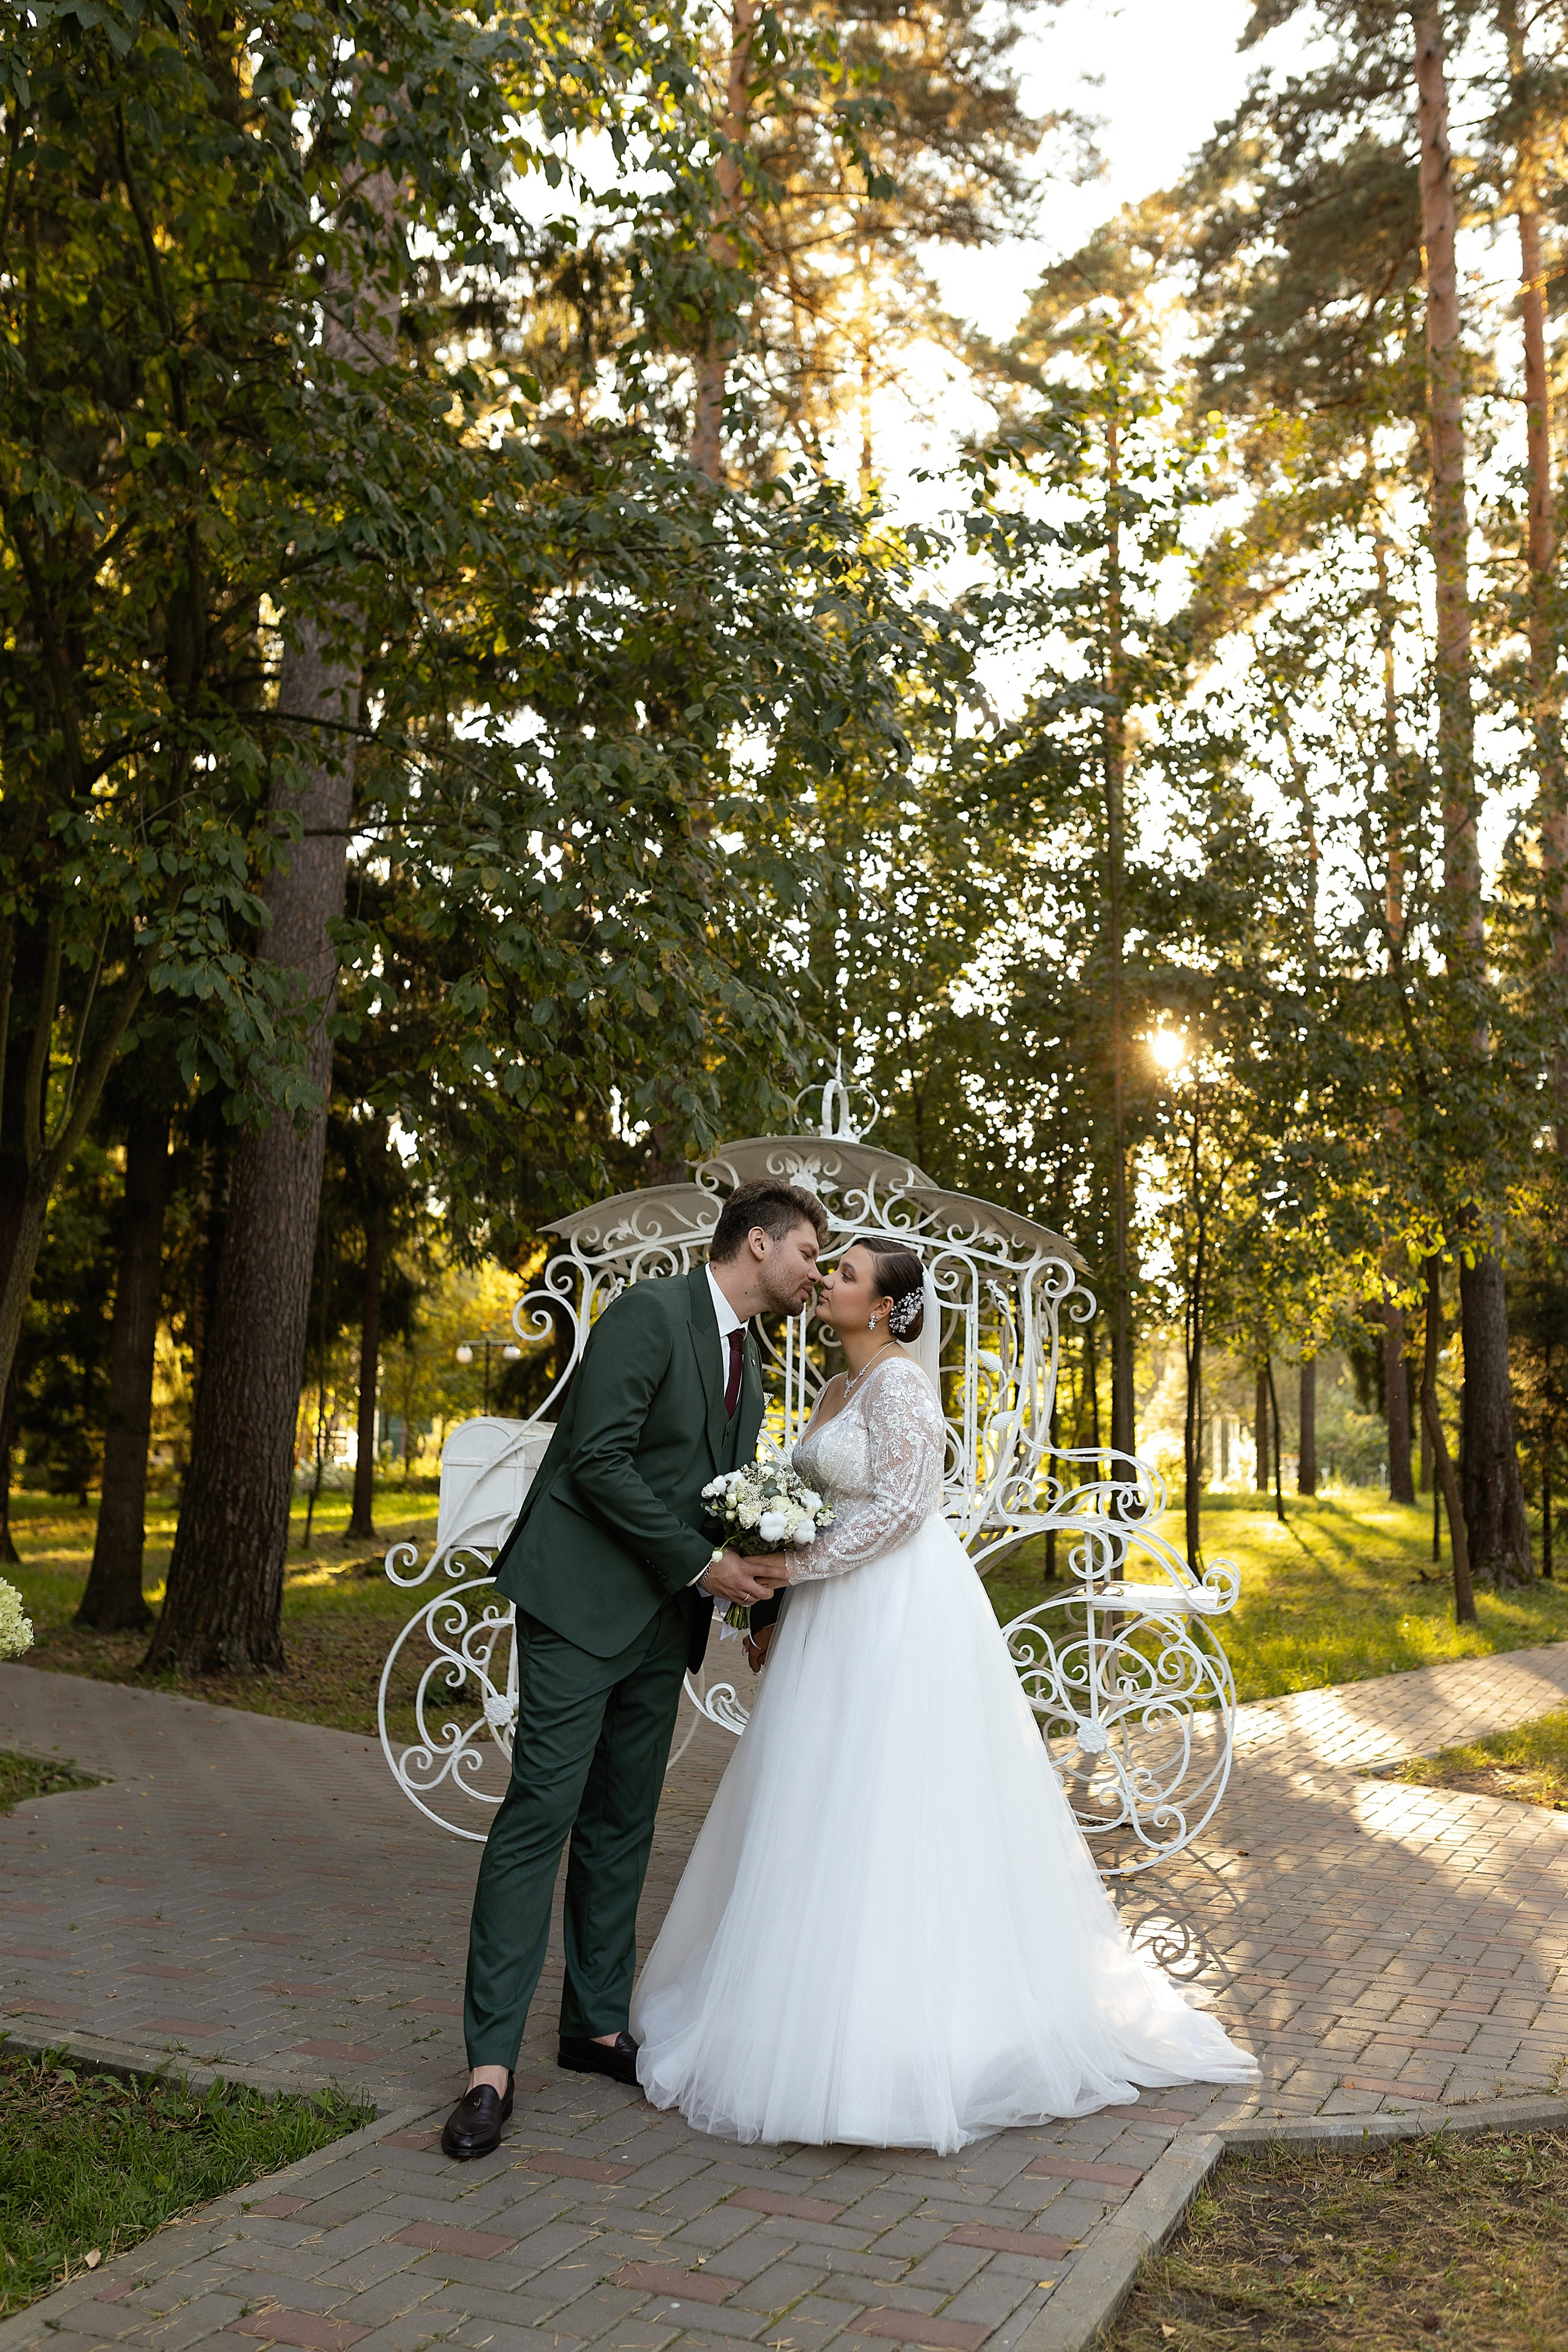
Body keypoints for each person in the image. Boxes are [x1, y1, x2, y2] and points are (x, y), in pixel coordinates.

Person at [631, 1236, 1260, 2153]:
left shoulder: (901, 1386)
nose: (826, 1280)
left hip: (895, 1609)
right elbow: (814, 1503)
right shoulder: (840, 1389)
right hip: (828, 1615)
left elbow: (901, 1511)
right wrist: (774, 1600)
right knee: (819, 1795)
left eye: (845, 1274)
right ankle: (804, 2004)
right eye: (829, 1267)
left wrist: (792, 1568)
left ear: (886, 1307)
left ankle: (910, 2031)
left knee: (894, 1796)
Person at [440, 1178, 827, 2160]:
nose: (815, 1275)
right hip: (579, 1606)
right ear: (757, 1243)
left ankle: (594, 2026)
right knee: (541, 1815)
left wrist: (755, 1594)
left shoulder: (751, 1357)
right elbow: (596, 1461)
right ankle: (490, 2068)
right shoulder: (649, 1317)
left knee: (623, 1824)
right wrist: (703, 1565)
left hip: (664, 1623)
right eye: (808, 1254)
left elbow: (720, 1495)